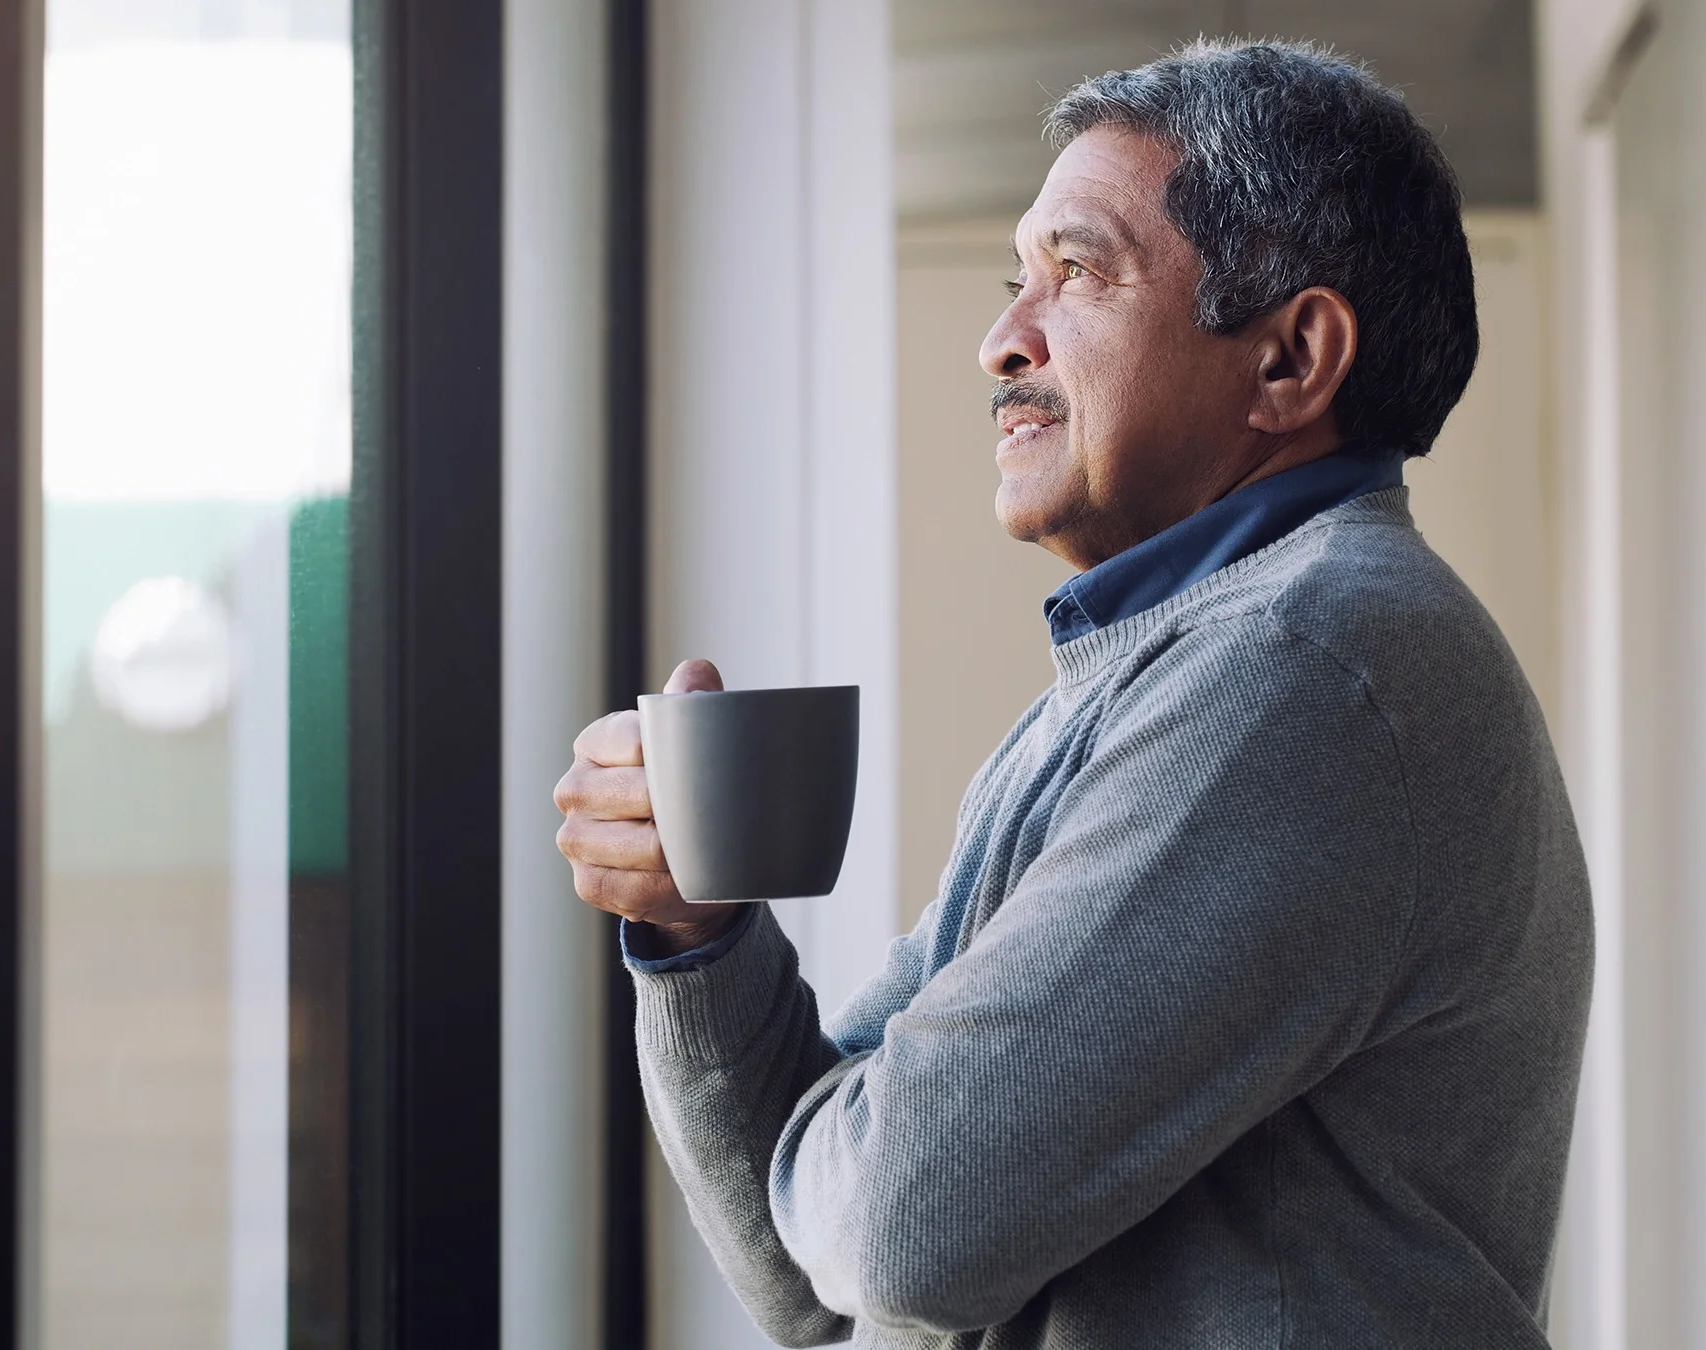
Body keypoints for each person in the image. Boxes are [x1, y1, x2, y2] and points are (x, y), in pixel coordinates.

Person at [555, 38, 1591, 1349]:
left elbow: (893, 1230)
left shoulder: (1308, 665)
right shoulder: (1135, 681)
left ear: (1291, 359)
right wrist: (698, 934)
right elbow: (811, 1281)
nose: (1001, 339)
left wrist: (872, 1146)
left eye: (1079, 272)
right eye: (1015, 280)